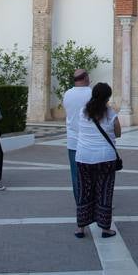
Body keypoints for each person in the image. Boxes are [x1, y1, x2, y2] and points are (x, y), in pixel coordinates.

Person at [76, 81, 121, 238]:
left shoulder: (83, 111)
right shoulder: (111, 113)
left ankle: (80, 228)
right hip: (106, 158)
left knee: (84, 190)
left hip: (83, 157)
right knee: (104, 192)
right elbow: (118, 133)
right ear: (108, 97)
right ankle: (105, 228)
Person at [61, 68, 93, 204]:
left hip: (73, 141)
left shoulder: (67, 94)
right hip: (90, 141)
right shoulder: (92, 93)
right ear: (85, 77)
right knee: (92, 174)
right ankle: (93, 201)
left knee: (76, 174)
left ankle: (80, 202)